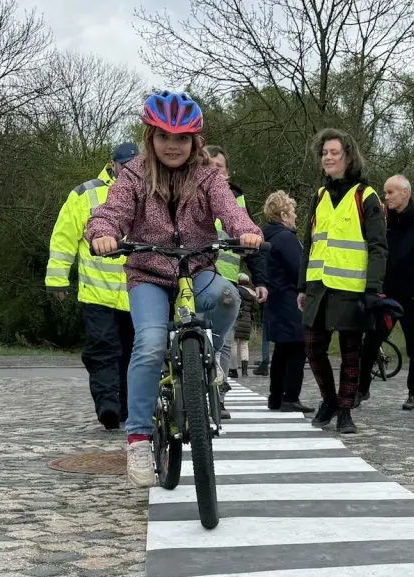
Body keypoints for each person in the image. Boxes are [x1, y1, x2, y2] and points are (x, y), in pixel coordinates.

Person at [86, 91, 261, 487]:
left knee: (226, 296)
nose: (173, 145)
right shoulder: (132, 174)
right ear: (150, 137)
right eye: (164, 136)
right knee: (148, 343)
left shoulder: (207, 176)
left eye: (182, 138)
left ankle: (212, 358)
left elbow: (230, 209)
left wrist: (246, 230)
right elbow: (110, 212)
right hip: (147, 271)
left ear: (194, 142)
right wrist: (103, 233)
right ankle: (139, 439)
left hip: (194, 265)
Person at [300, 127, 389, 435]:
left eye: (333, 152)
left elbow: (379, 247)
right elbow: (309, 242)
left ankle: (346, 411)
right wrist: (302, 285)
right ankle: (330, 400)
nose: (327, 157)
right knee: (312, 348)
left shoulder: (367, 196)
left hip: (353, 287)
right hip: (318, 285)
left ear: (348, 157)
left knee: (352, 353)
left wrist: (373, 289)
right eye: (324, 153)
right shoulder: (320, 196)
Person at [47, 142, 138, 429]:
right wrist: (57, 279)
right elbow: (64, 238)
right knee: (104, 350)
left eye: (135, 167)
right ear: (113, 165)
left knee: (134, 352)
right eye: (125, 166)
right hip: (98, 294)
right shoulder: (85, 194)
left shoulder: (150, 192)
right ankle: (108, 405)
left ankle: (125, 407)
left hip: (138, 292)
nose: (129, 173)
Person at [365, 174, 414, 410]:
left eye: (390, 192)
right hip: (386, 295)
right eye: (385, 192)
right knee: (371, 341)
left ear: (405, 193)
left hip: (413, 298)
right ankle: (360, 388)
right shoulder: (383, 220)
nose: (386, 196)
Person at [257, 191, 311, 413]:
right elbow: (299, 269)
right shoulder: (286, 238)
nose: (296, 216)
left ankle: (275, 396)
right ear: (283, 213)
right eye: (293, 211)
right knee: (298, 348)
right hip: (290, 301)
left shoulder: (266, 236)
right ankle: (290, 396)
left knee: (281, 351)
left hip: (275, 301)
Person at [207, 147, 256, 384]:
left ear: (227, 173)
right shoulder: (189, 192)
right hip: (195, 272)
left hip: (226, 278)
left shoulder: (237, 200)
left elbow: (250, 238)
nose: (214, 171)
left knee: (223, 340)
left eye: (219, 167)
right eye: (209, 166)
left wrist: (262, 279)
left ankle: (220, 392)